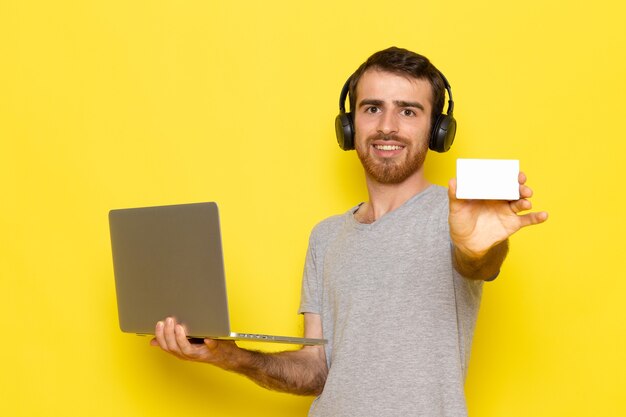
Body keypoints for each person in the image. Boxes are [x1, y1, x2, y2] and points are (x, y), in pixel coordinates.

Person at [151, 47, 548, 416]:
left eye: (408, 111)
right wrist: (228, 355)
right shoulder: (325, 237)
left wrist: (480, 250)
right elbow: (316, 371)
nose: (387, 127)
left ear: (437, 130)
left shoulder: (458, 215)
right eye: (372, 108)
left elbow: (479, 262)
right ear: (349, 124)